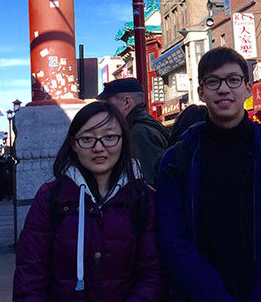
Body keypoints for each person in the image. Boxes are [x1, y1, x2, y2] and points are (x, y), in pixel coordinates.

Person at [156, 47, 261, 302]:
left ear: (248, 88)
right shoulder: (176, 161)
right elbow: (174, 242)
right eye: (213, 81)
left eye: (233, 80)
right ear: (201, 92)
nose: (224, 89)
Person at [13, 101, 164, 301]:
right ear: (74, 144)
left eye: (109, 137)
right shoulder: (51, 197)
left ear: (123, 141)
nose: (99, 148)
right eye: (87, 139)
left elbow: (152, 273)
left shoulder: (144, 198)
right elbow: (30, 272)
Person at [99, 77, 171, 186]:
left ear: (127, 102)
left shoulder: (138, 133)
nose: (106, 112)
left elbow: (148, 184)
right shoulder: (146, 127)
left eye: (109, 105)